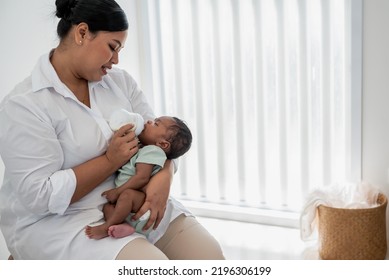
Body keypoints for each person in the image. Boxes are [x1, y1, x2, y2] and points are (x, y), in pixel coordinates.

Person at [0, 0, 224, 260]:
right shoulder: (25, 105)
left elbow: (159, 140)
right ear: (82, 33)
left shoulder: (120, 83)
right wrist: (110, 161)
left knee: (208, 255)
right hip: (61, 220)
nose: (116, 60)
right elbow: (40, 196)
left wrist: (164, 179)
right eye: (112, 47)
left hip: (133, 199)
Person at [85, 115, 192, 240]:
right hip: (130, 205)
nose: (148, 121)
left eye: (155, 123)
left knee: (127, 196)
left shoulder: (152, 151)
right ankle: (124, 226)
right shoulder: (144, 147)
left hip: (140, 201)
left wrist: (117, 191)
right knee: (107, 208)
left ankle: (106, 227)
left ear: (162, 144)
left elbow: (142, 178)